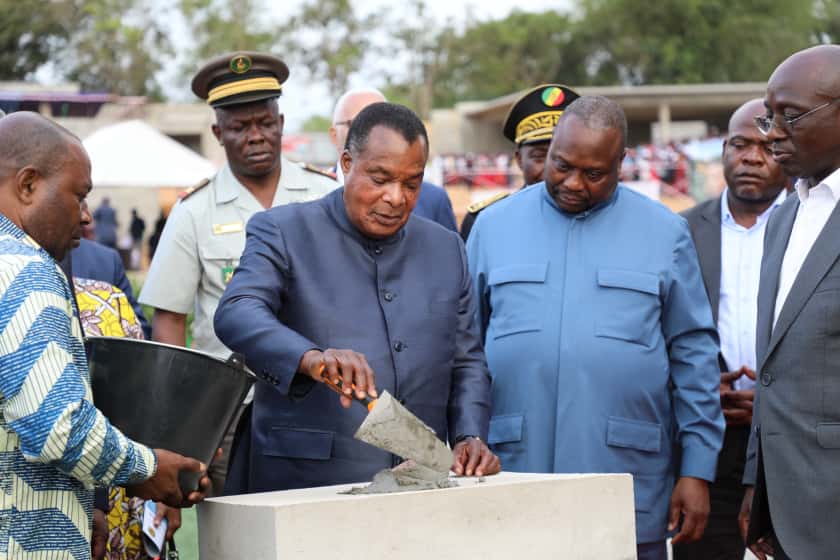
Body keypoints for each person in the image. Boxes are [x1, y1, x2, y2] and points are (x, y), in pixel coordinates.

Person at [466, 96, 724, 560]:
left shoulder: (665, 233)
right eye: (561, 166)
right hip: (512, 474)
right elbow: (464, 350)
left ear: (621, 163)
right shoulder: (492, 227)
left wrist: (698, 470)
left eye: (593, 174)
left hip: (626, 479)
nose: (572, 183)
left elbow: (694, 356)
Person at [215, 102, 500, 495]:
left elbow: (467, 359)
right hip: (306, 486)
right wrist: (311, 357)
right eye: (380, 179)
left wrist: (470, 434)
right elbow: (237, 312)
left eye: (411, 183)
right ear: (347, 163)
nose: (396, 197)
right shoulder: (282, 231)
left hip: (418, 485)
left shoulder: (446, 248)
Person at [0, 112, 210, 558]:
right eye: (78, 195)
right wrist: (148, 468)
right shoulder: (25, 271)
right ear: (28, 185)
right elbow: (59, 428)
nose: (86, 215)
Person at [138, 51, 337, 496]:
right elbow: (170, 318)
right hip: (226, 413)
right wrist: (178, 417)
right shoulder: (193, 212)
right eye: (240, 127)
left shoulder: (325, 196)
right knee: (234, 532)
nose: (256, 137)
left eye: (265, 122)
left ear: (281, 122)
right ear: (217, 133)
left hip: (316, 404)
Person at [674, 99, 788, 560]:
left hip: (787, 437)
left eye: (767, 147)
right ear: (723, 150)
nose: (751, 157)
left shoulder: (813, 226)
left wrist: (771, 393)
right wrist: (698, 388)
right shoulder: (680, 230)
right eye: (740, 144)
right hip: (708, 437)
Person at [740, 44, 840, 560]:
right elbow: (777, 367)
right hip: (785, 506)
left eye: (791, 117)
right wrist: (760, 484)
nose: (772, 133)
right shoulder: (784, 218)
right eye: (768, 116)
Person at [460, 84, 580, 241]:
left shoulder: (597, 218)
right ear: (519, 159)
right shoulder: (485, 221)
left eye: (562, 158)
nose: (551, 169)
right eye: (539, 156)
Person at [330, 88, 457, 231]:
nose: (395, 199)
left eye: (384, 123)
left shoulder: (432, 201)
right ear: (334, 135)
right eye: (379, 180)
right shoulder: (308, 202)